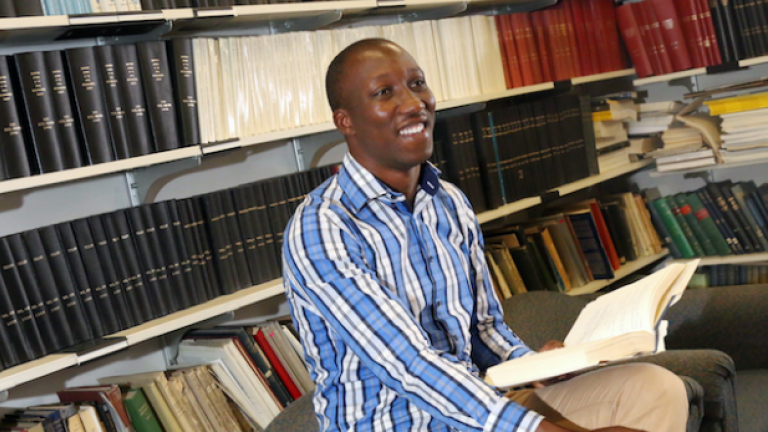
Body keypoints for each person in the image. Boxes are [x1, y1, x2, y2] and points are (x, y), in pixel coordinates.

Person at [282, 38, 688, 432]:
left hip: (481, 409)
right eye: (385, 92)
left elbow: (483, 330)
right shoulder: (322, 227)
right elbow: (408, 365)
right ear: (345, 121)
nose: (413, 103)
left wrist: (534, 366)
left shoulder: (449, 202)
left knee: (655, 391)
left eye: (417, 83)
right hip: (399, 423)